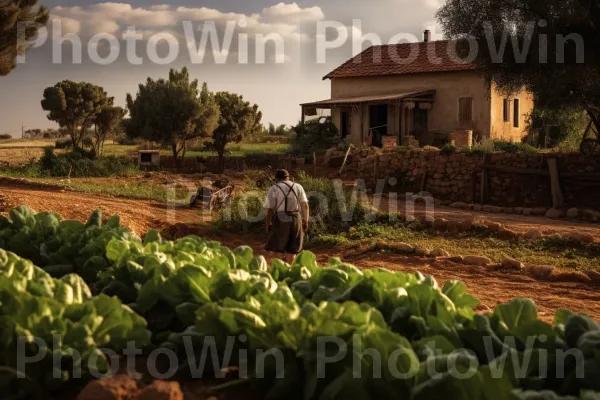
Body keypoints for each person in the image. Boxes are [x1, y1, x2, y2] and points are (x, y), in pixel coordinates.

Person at [264, 169, 309, 263]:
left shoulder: (274, 188)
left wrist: (267, 224)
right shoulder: (298, 186)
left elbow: (270, 209)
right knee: (292, 248)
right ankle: (289, 270)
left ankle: (277, 269)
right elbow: (305, 206)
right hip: (296, 218)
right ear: (288, 177)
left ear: (276, 178)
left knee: (277, 246)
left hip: (281, 218)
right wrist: (305, 221)